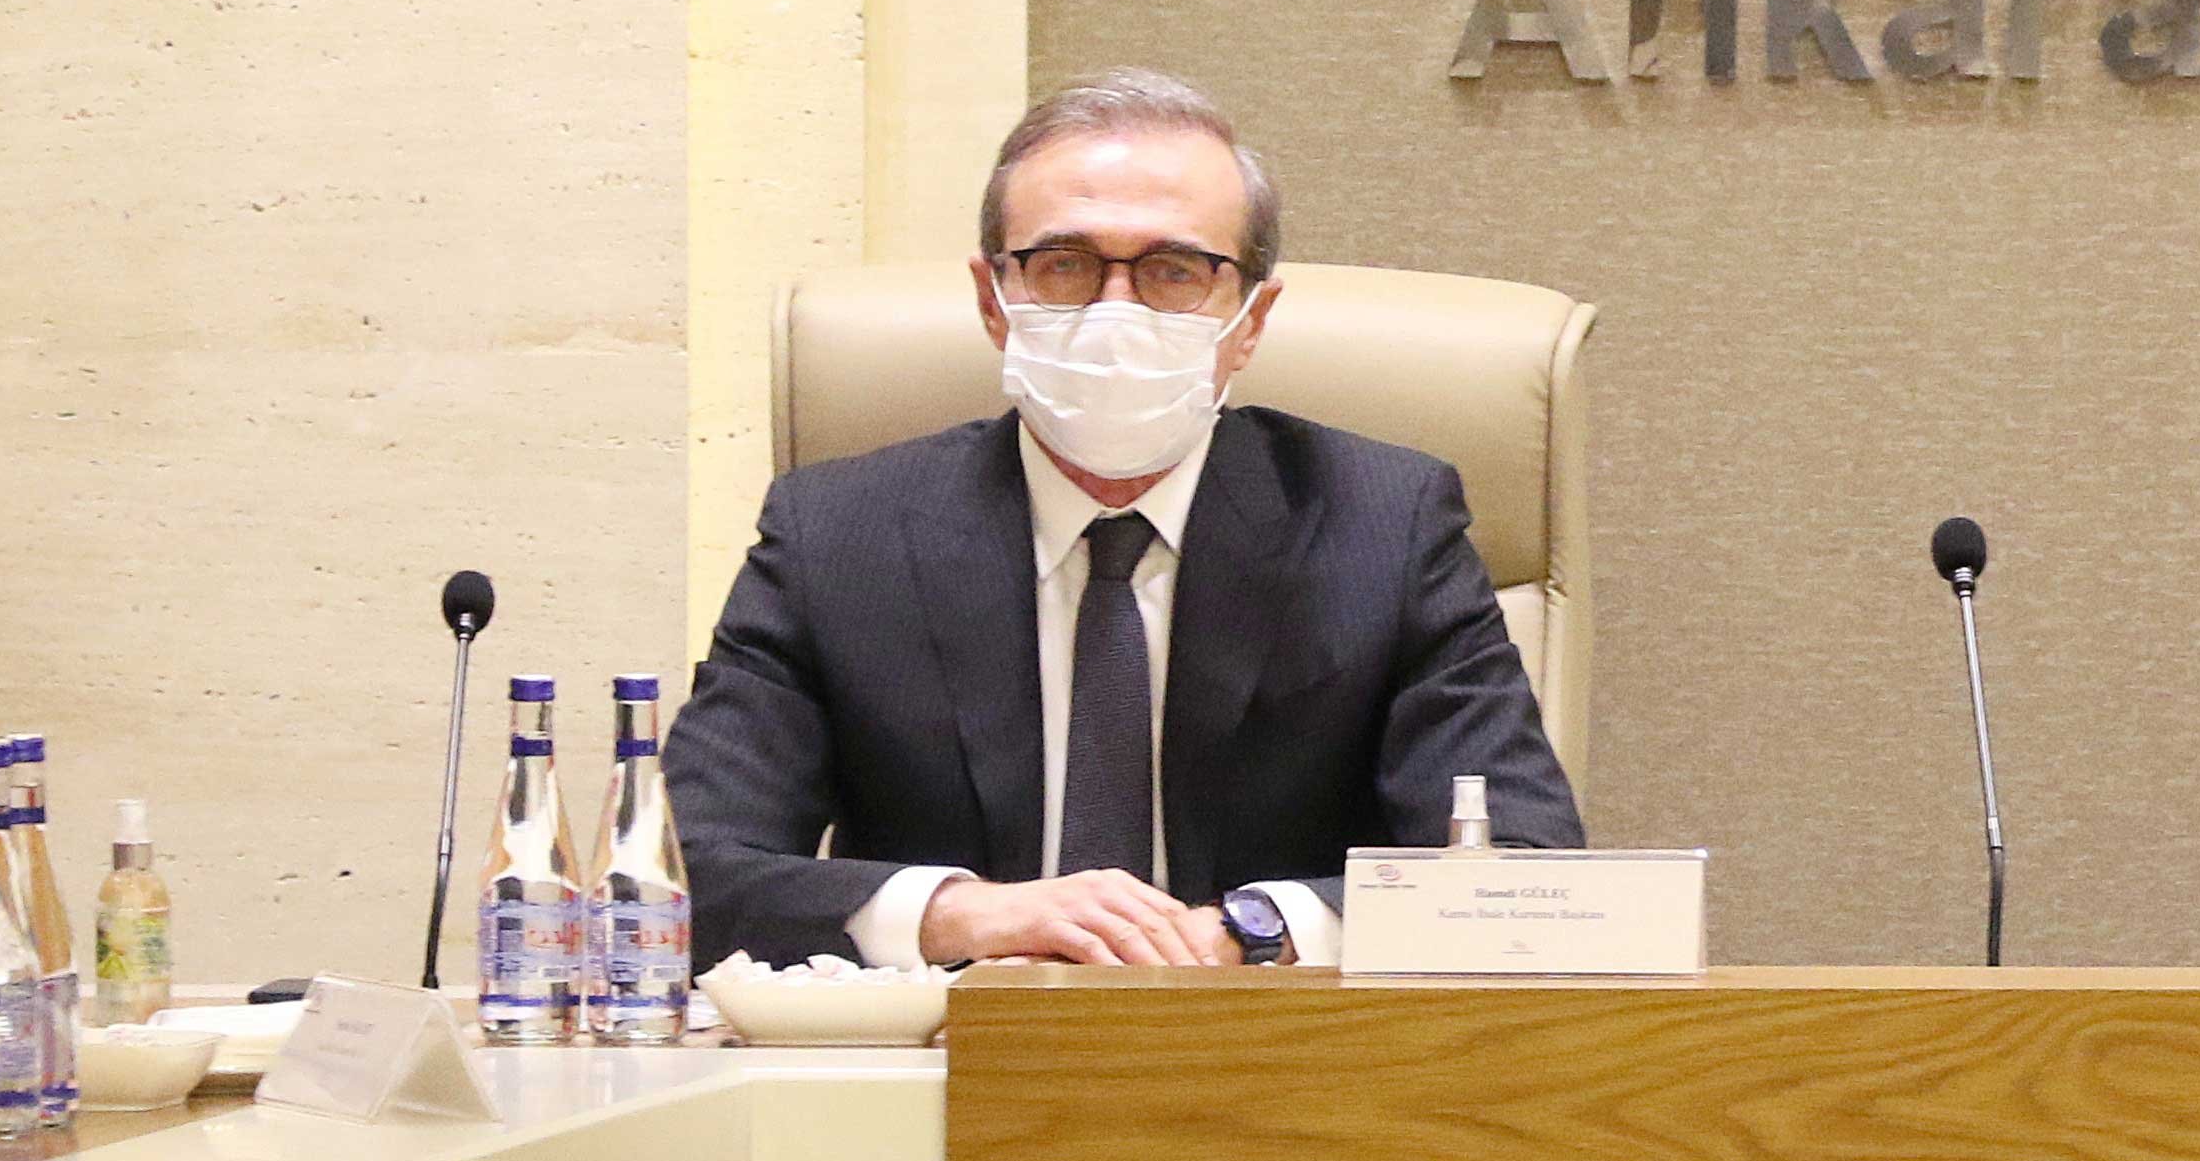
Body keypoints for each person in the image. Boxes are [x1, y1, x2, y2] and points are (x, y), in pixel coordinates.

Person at [677, 70, 1581, 968]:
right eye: (1064, 266)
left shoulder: (1384, 527)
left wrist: (1249, 931)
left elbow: (1521, 872)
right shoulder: (837, 535)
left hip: (1273, 1045)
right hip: (947, 1044)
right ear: (993, 302)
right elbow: (679, 876)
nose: (1116, 312)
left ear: (1251, 319)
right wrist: (961, 915)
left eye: (1174, 271)